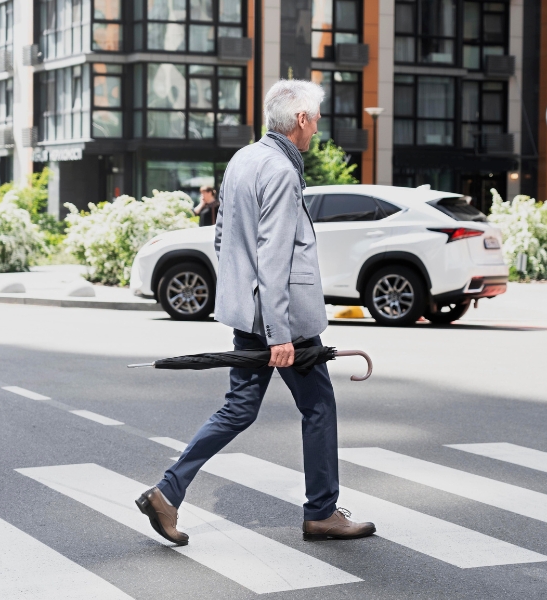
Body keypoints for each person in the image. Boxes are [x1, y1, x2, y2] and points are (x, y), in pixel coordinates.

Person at [135, 79, 376, 545]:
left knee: (239, 408)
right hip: (282, 321)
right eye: (317, 118)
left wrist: (244, 304)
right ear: (301, 120)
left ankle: (168, 492)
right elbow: (275, 255)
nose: (318, 126)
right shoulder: (282, 171)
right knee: (319, 407)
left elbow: (224, 238)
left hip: (251, 314)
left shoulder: (243, 160)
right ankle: (322, 512)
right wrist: (279, 332)